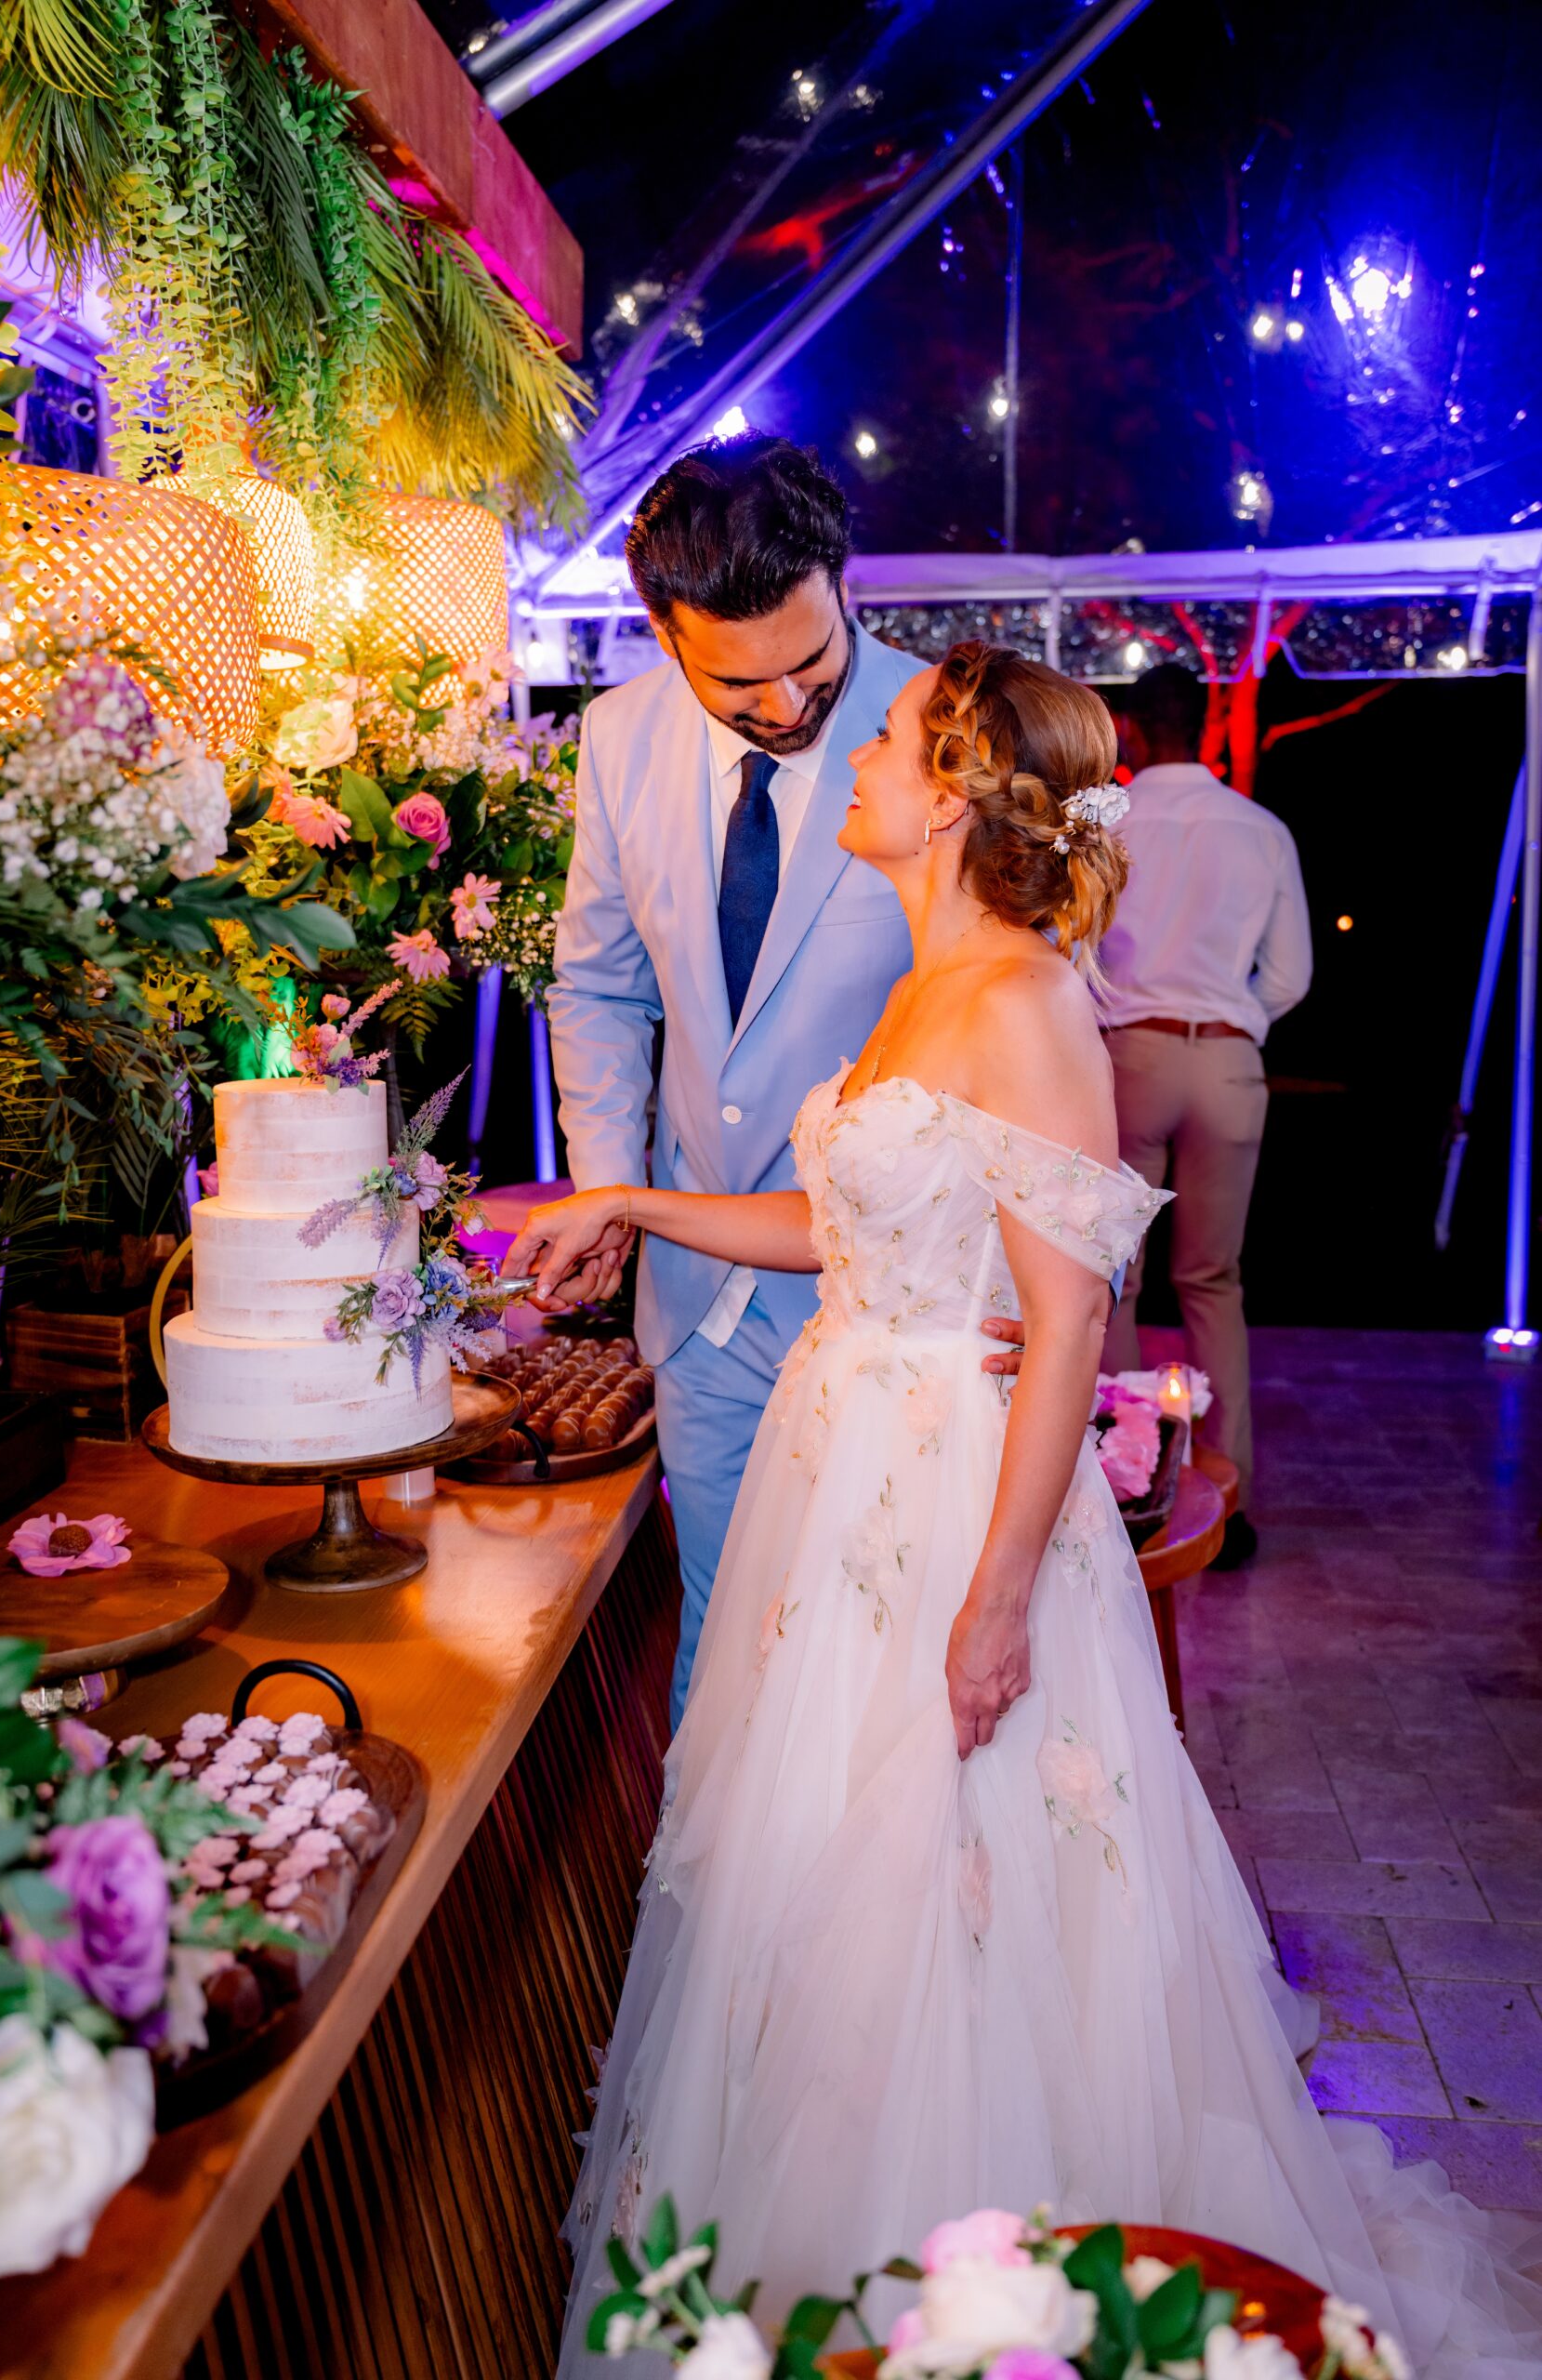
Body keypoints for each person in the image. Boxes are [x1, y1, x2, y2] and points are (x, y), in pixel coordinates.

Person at [509, 645, 1540, 2380]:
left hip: (949, 1504)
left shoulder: (1027, 1004)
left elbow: (1063, 1320)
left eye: (887, 743)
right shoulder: (919, 987)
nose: (852, 764)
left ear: (958, 792)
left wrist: (995, 1602)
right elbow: (844, 1232)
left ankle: (969, 2294)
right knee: (815, 1878)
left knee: (949, 1891)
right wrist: (629, 1198)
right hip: (836, 1485)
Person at [547, 434, 1021, 1727]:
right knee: (730, 1645)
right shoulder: (615, 738)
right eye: (733, 682)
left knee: (890, 1670)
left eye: (809, 665)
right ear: (659, 631)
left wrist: (1035, 1281)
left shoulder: (949, 734)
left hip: (905, 1313)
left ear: (839, 575)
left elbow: (1031, 1021)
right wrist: (610, 1193)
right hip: (702, 1298)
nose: (781, 706)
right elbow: (596, 986)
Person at [1099, 664, 1312, 1566]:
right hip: (1228, 1061)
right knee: (1212, 1282)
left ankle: (1114, 1492)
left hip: (1130, 1056)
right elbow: (1293, 975)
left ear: (1134, 732)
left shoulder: (1107, 822)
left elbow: (1073, 952)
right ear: (1206, 727)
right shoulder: (1260, 829)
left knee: (1113, 1272)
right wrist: (1229, 1021)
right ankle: (1229, 1500)